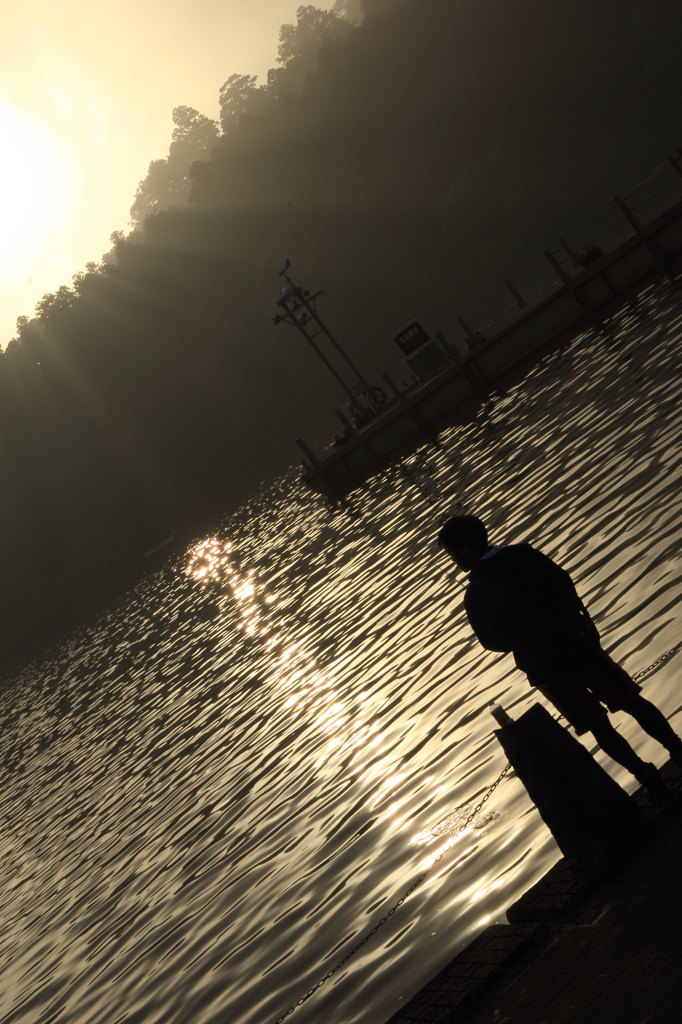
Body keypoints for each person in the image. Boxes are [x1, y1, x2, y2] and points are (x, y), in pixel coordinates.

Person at [437, 514, 682, 802]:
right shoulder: (525, 555)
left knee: (598, 726)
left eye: (453, 555)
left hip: (549, 669)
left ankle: (649, 779)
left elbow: (494, 642)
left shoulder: (477, 592)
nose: (455, 562)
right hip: (580, 646)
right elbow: (565, 583)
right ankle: (677, 750)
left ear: (464, 551)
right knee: (630, 700)